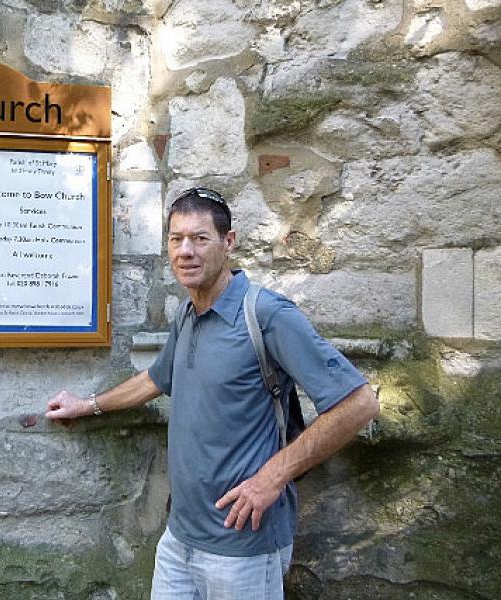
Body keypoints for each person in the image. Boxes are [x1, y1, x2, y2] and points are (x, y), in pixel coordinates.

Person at [46, 187, 379, 600]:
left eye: (200, 238)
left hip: (243, 548)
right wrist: (89, 405)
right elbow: (155, 379)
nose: (186, 251)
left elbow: (359, 404)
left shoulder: (267, 315)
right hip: (179, 538)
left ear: (229, 242)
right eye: (176, 239)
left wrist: (272, 477)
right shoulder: (187, 313)